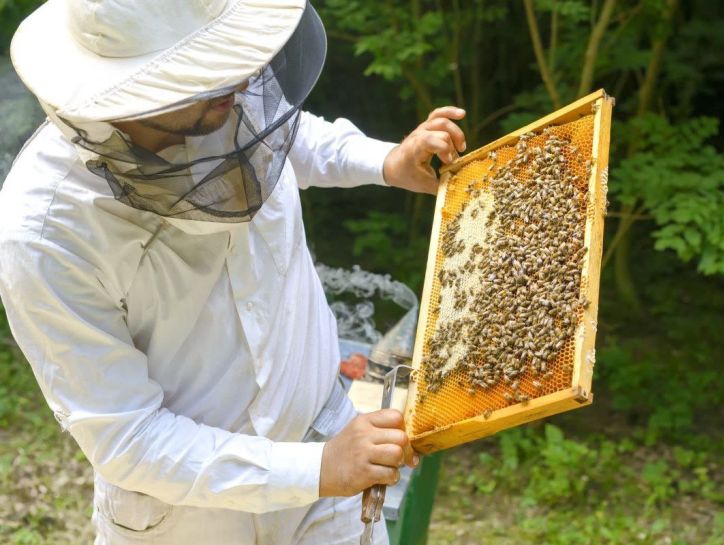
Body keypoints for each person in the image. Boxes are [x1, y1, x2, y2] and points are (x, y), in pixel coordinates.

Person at [0, 1, 466, 544]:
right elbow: (127, 436)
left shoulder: (223, 99)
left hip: (327, 470)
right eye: (207, 78)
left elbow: (285, 135)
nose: (243, 84)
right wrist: (318, 468)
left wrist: (384, 160)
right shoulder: (43, 233)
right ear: (129, 95)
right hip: (188, 521)